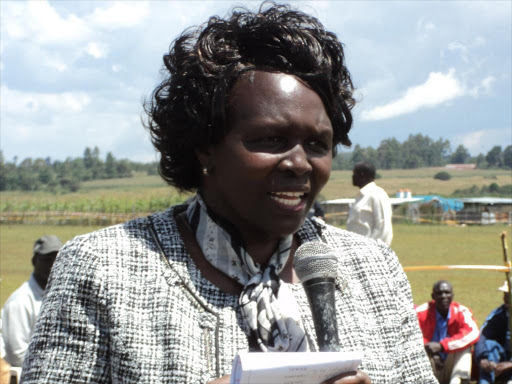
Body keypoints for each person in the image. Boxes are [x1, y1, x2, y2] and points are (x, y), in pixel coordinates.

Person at [22, 3, 436, 383]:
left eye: (317, 145)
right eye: (271, 139)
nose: (300, 163)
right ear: (205, 146)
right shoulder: (104, 270)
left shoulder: (373, 270)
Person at [1, 235, 62, 367]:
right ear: (34, 261)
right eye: (47, 260)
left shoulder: (61, 296)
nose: (52, 265)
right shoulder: (20, 301)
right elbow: (17, 355)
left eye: (57, 259)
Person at [416, 280, 480, 384]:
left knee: (465, 347)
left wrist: (442, 346)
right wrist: (430, 350)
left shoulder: (461, 311)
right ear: (433, 296)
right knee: (417, 349)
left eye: (447, 293)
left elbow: (473, 333)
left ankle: (459, 381)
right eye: (439, 293)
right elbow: (409, 335)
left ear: (452, 295)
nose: (443, 296)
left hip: (452, 363)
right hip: (429, 364)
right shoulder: (421, 312)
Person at [346, 162, 393, 245]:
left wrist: (373, 250)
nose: (352, 177)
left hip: (370, 251)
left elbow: (383, 227)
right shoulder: (361, 196)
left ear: (362, 175)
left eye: (354, 174)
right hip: (356, 249)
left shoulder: (377, 194)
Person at [474, 281, 511, 384]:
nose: (505, 298)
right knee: (489, 345)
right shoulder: (499, 313)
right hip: (504, 357)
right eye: (505, 295)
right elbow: (482, 336)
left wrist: (510, 364)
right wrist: (482, 358)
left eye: (509, 295)